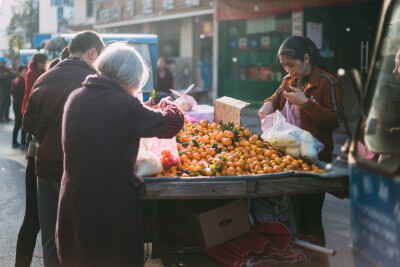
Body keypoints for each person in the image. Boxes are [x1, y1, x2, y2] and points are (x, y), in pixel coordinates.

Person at [56, 43, 184, 266]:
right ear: (126, 80)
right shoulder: (122, 104)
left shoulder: (75, 97)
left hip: (74, 203)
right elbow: (171, 123)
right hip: (108, 210)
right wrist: (168, 103)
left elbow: (110, 124)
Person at [22, 30, 104, 267]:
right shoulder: (93, 81)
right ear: (92, 53)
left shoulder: (44, 77)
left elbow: (28, 124)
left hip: (44, 167)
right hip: (76, 170)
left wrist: (48, 136)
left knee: (50, 236)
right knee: (77, 237)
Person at [259, 36, 341, 246]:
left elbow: (334, 121)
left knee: (311, 216)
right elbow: (275, 98)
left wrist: (306, 104)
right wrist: (267, 105)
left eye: (292, 64)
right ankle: (298, 257)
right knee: (293, 214)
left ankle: (317, 259)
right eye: (285, 65)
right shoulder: (289, 80)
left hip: (316, 160)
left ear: (306, 57)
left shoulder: (327, 82)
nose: (289, 69)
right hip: (291, 158)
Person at [15, 59, 60, 267]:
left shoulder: (44, 81)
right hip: (51, 158)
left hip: (37, 154)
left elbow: (28, 122)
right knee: (49, 222)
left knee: (32, 219)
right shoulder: (71, 83)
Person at [11, 65, 28, 148]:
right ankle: (21, 142)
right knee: (21, 123)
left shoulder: (16, 80)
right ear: (19, 72)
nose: (26, 73)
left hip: (16, 104)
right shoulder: (21, 81)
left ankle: (15, 141)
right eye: (25, 71)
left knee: (18, 123)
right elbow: (23, 94)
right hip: (19, 105)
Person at [0, 57, 15, 122]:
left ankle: (6, 116)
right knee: (1, 103)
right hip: (1, 89)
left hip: (7, 88)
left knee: (8, 103)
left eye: (4, 62)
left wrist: (6, 75)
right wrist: (7, 75)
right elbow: (1, 76)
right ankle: (1, 117)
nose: (3, 63)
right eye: (2, 62)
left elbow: (12, 74)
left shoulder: (6, 69)